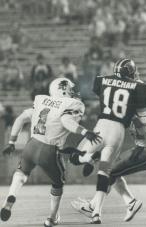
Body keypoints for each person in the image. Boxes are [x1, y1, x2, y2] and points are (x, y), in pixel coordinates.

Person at [0, 78, 102, 227]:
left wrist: (11, 142)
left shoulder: (42, 101)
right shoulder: (71, 104)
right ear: (64, 90)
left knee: (21, 172)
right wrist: (84, 131)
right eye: (71, 90)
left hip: (31, 145)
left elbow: (21, 119)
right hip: (49, 150)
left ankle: (10, 197)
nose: (74, 92)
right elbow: (66, 121)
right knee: (58, 183)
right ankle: (52, 218)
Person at [65, 58, 146, 224]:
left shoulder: (101, 80)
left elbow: (102, 90)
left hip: (102, 125)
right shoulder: (141, 88)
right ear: (131, 72)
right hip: (118, 130)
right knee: (105, 172)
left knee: (74, 157)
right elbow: (144, 124)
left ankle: (87, 159)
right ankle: (96, 214)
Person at [69, 89, 146, 222]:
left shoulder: (142, 115)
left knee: (109, 172)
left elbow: (143, 129)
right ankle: (130, 202)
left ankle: (93, 206)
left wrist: (135, 117)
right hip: (142, 150)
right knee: (112, 170)